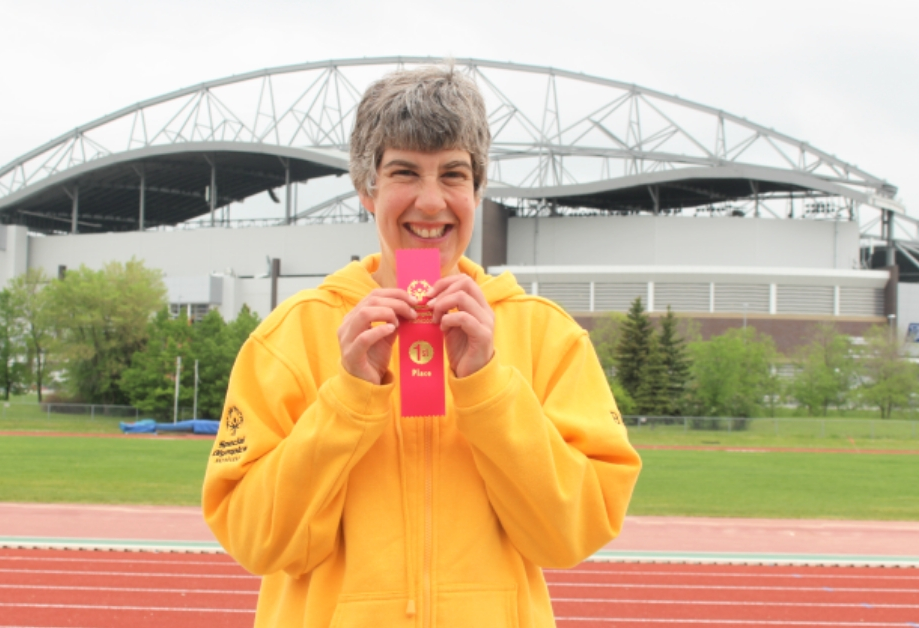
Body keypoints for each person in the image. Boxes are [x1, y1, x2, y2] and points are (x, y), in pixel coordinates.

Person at [203, 64, 641, 628]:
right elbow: (255, 541)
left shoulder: (545, 336)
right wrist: (347, 400)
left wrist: (489, 389)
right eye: (405, 172)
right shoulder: (290, 337)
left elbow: (571, 535)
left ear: (478, 190)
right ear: (367, 188)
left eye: (453, 174)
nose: (431, 202)